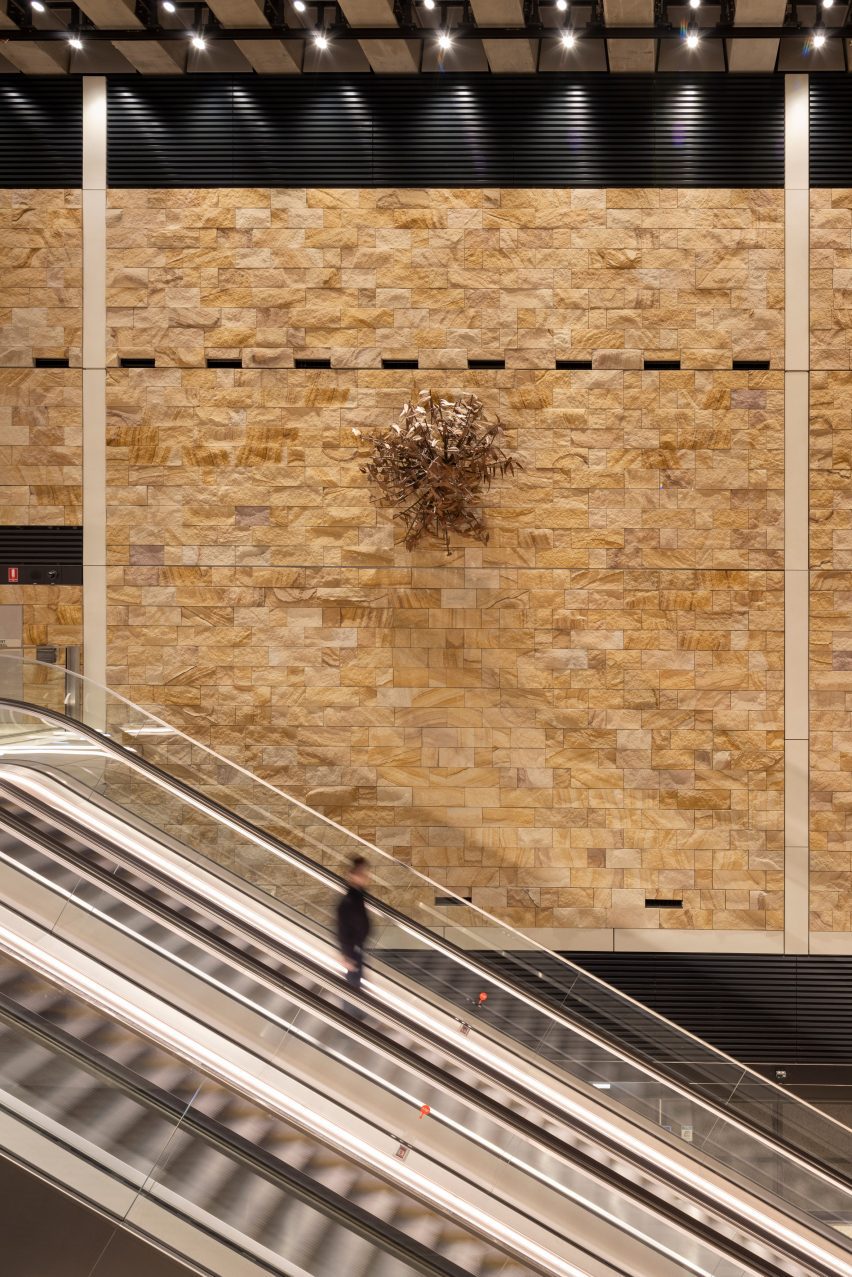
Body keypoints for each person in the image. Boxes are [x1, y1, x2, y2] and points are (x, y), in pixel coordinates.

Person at [336, 855, 371, 995]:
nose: (366, 876)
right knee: (353, 985)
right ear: (352, 874)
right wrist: (346, 955)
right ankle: (349, 1013)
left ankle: (355, 1011)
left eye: (366, 872)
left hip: (358, 948)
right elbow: (343, 929)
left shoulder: (359, 894)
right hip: (353, 951)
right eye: (362, 873)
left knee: (357, 983)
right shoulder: (349, 900)